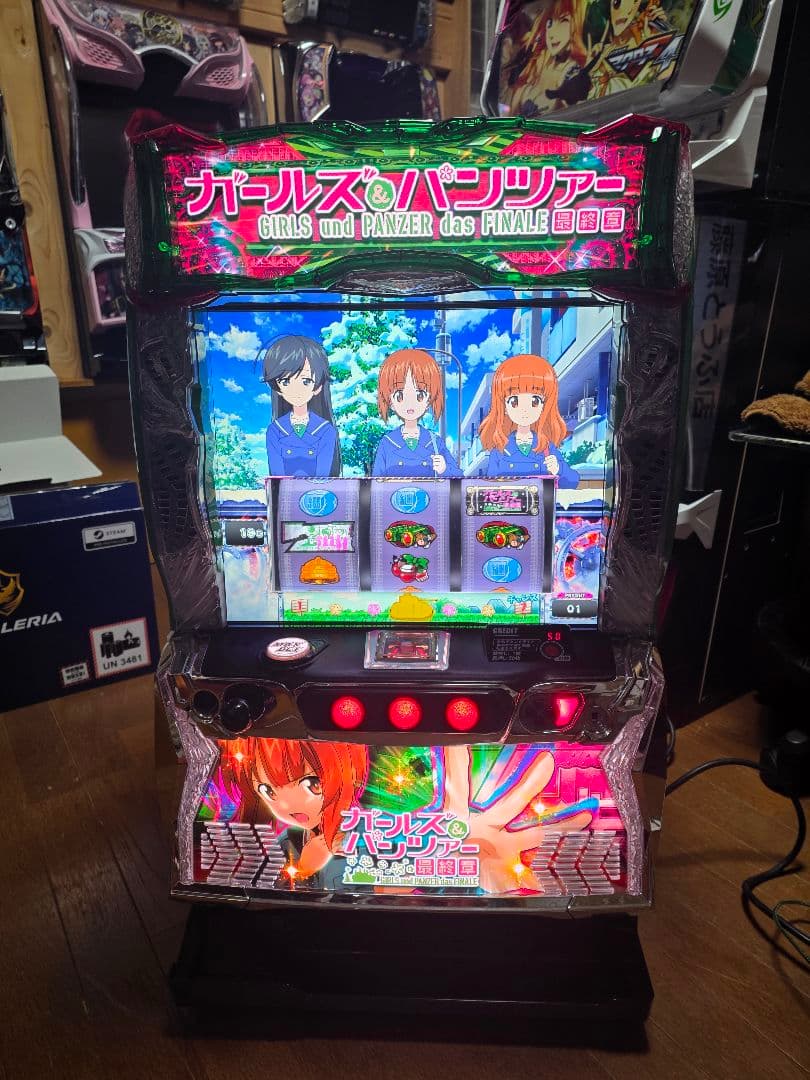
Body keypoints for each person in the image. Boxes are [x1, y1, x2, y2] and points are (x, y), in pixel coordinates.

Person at [237, 737, 368, 890]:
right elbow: (265, 890)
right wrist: (304, 869)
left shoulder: (378, 834)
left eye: (313, 784)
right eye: (268, 792)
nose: (286, 805)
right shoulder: (289, 840)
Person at [478, 353, 579, 486]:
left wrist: (559, 469)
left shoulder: (546, 447)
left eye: (535, 401)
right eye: (514, 401)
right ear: (504, 406)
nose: (525, 409)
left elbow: (572, 482)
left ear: (544, 405)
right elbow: (491, 488)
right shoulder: (499, 450)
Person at [259, 334, 340, 477]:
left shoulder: (326, 430)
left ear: (318, 387)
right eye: (285, 382)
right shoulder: (275, 430)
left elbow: (323, 476)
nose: (296, 390)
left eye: (306, 381)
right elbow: (277, 477)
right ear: (277, 388)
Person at [373, 348, 461, 478]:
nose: (410, 403)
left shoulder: (435, 442)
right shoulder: (387, 443)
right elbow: (376, 481)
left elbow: (459, 477)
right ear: (390, 402)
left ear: (429, 400)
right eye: (400, 396)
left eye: (420, 395)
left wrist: (444, 469)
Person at [500, 0, 589, 117]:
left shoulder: (573, 72)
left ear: (576, 25)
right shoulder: (535, 64)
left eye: (563, 21)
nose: (552, 33)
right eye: (550, 23)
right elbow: (504, 108)